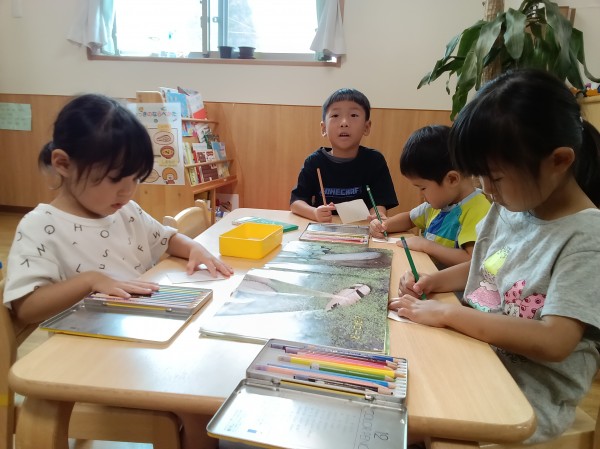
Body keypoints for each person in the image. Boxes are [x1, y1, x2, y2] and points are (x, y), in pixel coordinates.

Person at [2, 93, 234, 449]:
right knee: (197, 402)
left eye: (135, 178)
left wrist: (195, 248)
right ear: (63, 164)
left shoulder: (124, 210)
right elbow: (26, 308)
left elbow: (167, 238)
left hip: (141, 340)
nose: (127, 191)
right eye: (114, 179)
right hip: (88, 361)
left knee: (211, 374)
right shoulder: (41, 226)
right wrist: (91, 281)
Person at [391, 69, 600, 445]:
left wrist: (450, 314)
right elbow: (486, 267)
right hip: (478, 352)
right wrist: (434, 281)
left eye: (497, 178)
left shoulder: (587, 237)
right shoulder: (510, 207)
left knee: (412, 415)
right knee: (393, 380)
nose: (486, 190)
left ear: (559, 161)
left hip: (527, 393)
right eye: (480, 177)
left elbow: (555, 341)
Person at [370, 125, 490, 267]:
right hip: (426, 272)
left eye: (423, 188)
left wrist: (426, 245)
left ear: (452, 179)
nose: (422, 195)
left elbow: (471, 261)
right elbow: (408, 219)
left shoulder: (478, 210)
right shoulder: (439, 203)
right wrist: (383, 226)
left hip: (446, 281)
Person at [290, 88, 398, 222]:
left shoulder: (374, 161)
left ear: (366, 127)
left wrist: (377, 216)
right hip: (324, 228)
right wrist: (314, 213)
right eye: (335, 115)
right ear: (324, 128)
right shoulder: (314, 162)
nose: (344, 123)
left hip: (362, 227)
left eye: (354, 115)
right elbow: (296, 203)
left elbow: (379, 203)